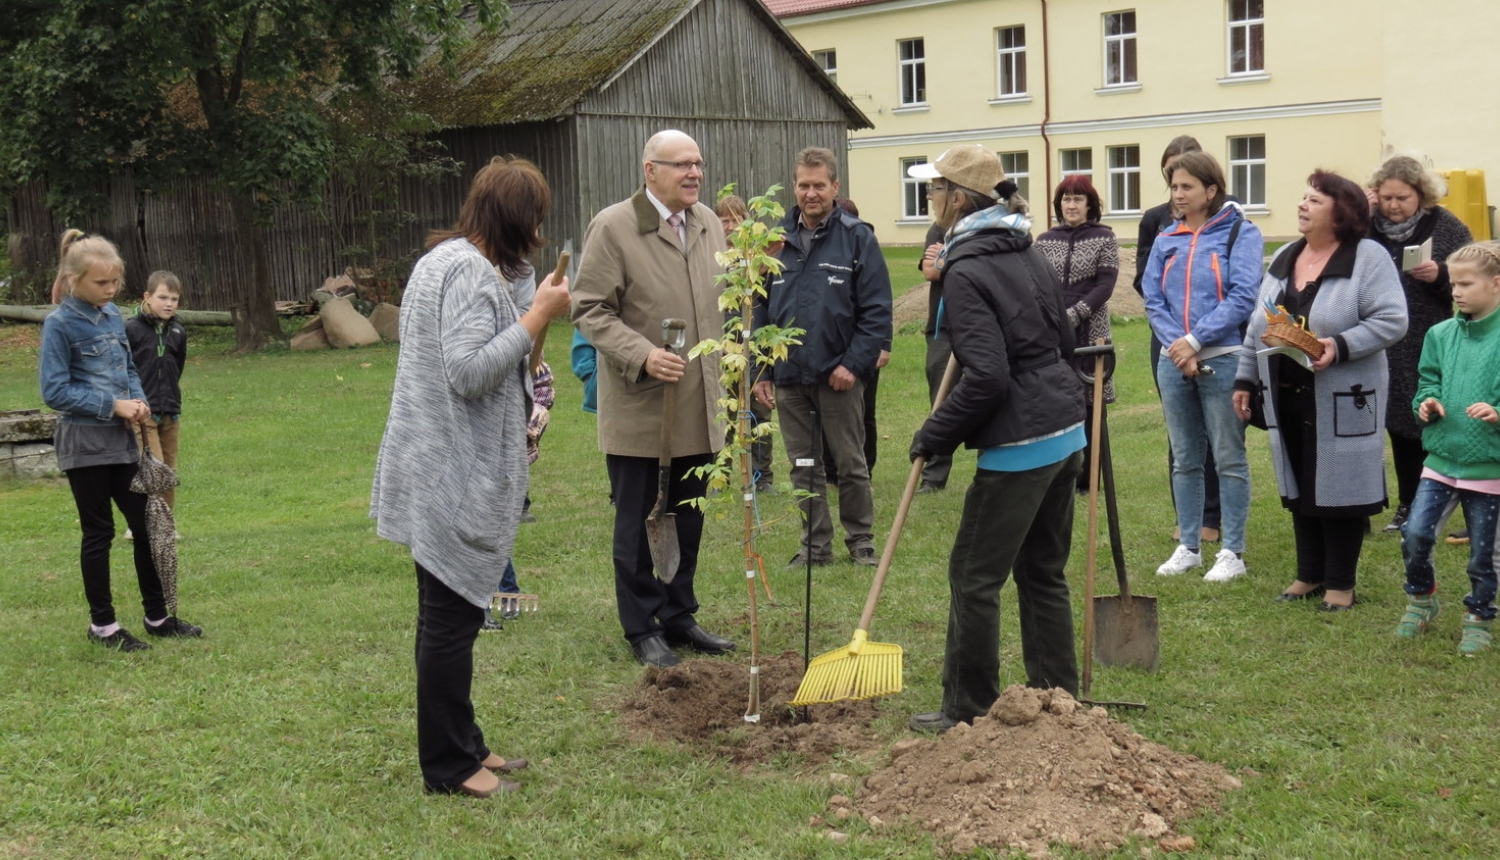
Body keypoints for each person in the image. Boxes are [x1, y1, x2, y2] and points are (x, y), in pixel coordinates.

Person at [370, 156, 571, 798]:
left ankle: (468, 746)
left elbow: (491, 341)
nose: (538, 233)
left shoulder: (449, 259)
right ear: (516, 218)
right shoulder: (464, 273)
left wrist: (529, 300)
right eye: (533, 221)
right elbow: (467, 370)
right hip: (449, 471)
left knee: (449, 617)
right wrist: (537, 316)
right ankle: (450, 769)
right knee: (450, 624)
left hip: (436, 461)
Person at [901, 145, 1085, 733]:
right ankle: (1060, 699)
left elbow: (987, 375)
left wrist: (936, 433)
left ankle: (967, 709)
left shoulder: (967, 266)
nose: (928, 199)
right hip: (1064, 431)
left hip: (1024, 447)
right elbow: (1060, 342)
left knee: (975, 578)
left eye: (934, 191)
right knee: (1042, 572)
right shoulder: (1024, 247)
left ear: (958, 199)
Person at [572, 129, 736, 669]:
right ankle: (642, 626)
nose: (694, 173)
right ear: (650, 171)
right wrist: (641, 353)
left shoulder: (710, 223)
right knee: (642, 518)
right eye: (681, 165)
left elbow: (725, 304)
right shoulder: (615, 226)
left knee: (687, 515)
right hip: (644, 407)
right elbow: (590, 308)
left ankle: (679, 614)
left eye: (698, 164)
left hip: (699, 403)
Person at [1232, 171, 1407, 611]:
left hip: (1345, 394)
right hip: (1287, 390)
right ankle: (1308, 575)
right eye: (1303, 198)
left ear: (1341, 211)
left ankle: (1340, 586)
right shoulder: (1286, 256)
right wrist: (1245, 378)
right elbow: (1259, 324)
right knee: (1300, 480)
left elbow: (1392, 319)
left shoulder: (1368, 257)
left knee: (1341, 488)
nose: (1302, 205)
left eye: (1314, 200)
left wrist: (1339, 345)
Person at [39, 230, 203, 652]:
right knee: (99, 533)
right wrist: (114, 405)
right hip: (84, 446)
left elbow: (129, 367)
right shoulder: (59, 324)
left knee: (148, 525)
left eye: (114, 283)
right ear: (74, 279)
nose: (110, 290)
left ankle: (158, 617)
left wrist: (139, 400)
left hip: (123, 441)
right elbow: (54, 392)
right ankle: (104, 628)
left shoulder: (112, 316)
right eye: (100, 283)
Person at [752, 147, 893, 568]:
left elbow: (876, 311)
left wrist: (853, 364)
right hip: (790, 377)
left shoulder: (857, 238)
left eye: (819, 185)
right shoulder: (775, 242)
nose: (810, 193)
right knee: (803, 466)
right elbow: (759, 306)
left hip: (839, 375)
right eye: (803, 185)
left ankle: (861, 541)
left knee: (849, 463)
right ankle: (815, 547)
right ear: (794, 187)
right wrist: (762, 367)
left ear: (835, 187)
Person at [1143, 151, 1263, 583]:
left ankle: (1232, 551)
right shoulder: (1165, 238)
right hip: (1172, 361)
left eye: (1187, 187)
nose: (1178, 195)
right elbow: (1153, 298)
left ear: (1211, 190)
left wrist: (1196, 341)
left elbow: (1243, 295)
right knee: (1185, 459)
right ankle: (1189, 546)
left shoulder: (1241, 234)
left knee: (1228, 457)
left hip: (1223, 359)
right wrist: (1179, 347)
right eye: (1174, 187)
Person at [1394, 241, 1500, 653]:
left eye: (1465, 283)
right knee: (1415, 533)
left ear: (1495, 284)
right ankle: (1422, 600)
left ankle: (1479, 614)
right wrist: (1427, 403)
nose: (1455, 291)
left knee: (1483, 553)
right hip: (1440, 459)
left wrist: (1496, 411)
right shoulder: (1439, 334)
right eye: (1453, 283)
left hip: (1489, 466)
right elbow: (1427, 382)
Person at [1365, 154, 1475, 533]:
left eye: (1402, 198)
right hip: (1379, 340)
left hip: (1430, 338)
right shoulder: (1365, 226)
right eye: (1387, 197)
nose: (1393, 206)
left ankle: (1433, 504)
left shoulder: (1445, 227)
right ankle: (1400, 506)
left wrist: (1441, 275)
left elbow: (1473, 276)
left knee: (1426, 422)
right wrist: (1357, 215)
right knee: (1392, 424)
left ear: (1421, 196)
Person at [1134, 136, 1222, 543]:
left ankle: (1212, 517)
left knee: (1218, 430)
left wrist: (1198, 337)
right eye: (1172, 177)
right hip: (1168, 337)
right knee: (1181, 431)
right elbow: (1144, 281)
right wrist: (1176, 340)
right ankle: (1188, 515)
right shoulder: (1155, 220)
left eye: (1186, 178)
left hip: (1214, 338)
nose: (1178, 186)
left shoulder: (1227, 217)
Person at [1036, 176, 1120, 491]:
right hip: (1054, 333)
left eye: (1078, 199)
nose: (1071, 205)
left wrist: (1076, 313)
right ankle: (1061, 473)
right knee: (1057, 400)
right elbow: (1037, 283)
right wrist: (1053, 317)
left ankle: (1089, 478)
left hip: (1092, 332)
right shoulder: (1044, 241)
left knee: (1090, 404)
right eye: (1066, 199)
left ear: (1090, 204)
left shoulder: (1104, 238)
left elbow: (1105, 285)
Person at [715, 193, 775, 492]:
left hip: (754, 347)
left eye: (735, 220)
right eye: (723, 220)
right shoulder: (713, 258)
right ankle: (721, 472)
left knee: (758, 411)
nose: (729, 226)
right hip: (723, 347)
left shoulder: (757, 258)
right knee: (724, 412)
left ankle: (762, 476)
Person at [124, 271, 187, 522]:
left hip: (171, 408)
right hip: (143, 410)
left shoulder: (179, 332)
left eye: (174, 299)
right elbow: (124, 368)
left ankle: (165, 525)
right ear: (147, 297)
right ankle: (141, 523)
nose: (169, 303)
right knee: (153, 468)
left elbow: (177, 367)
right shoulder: (131, 329)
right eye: (163, 297)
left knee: (169, 470)